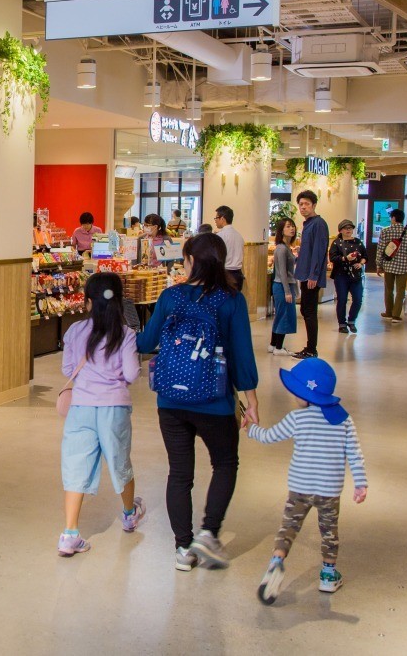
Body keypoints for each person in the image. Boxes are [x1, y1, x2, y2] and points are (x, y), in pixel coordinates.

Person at [138, 233, 260, 572]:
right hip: (215, 401)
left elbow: (146, 342)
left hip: (170, 400)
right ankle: (208, 532)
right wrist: (250, 399)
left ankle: (182, 548)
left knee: (179, 473)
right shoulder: (231, 300)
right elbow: (241, 353)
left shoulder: (171, 296)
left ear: (194, 261)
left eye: (186, 257)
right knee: (225, 463)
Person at [245, 358, 368, 604]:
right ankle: (328, 576)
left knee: (288, 528)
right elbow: (355, 453)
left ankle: (277, 561)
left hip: (299, 487)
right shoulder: (344, 420)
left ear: (307, 395)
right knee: (329, 533)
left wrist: (251, 429)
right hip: (329, 490)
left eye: (297, 391)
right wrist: (360, 483)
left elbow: (269, 436)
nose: (294, 396)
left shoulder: (297, 418)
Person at [57, 273, 144, 556]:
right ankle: (129, 514)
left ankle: (70, 533)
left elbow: (68, 370)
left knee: (75, 465)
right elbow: (131, 373)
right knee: (120, 461)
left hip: (80, 408)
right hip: (114, 408)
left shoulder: (74, 331)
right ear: (119, 301)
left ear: (88, 302)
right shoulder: (125, 334)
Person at [293, 191, 328, 359]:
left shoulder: (318, 223)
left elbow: (319, 251)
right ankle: (309, 347)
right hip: (305, 273)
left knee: (309, 311)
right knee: (305, 310)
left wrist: (314, 275)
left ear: (314, 205)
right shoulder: (308, 224)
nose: (303, 207)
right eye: (301, 204)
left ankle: (311, 349)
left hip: (311, 277)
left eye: (306, 204)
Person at [376, 209, 407, 322]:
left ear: (393, 218)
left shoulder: (385, 231)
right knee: (401, 290)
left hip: (388, 264)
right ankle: (396, 315)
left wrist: (378, 265)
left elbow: (380, 249)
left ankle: (388, 312)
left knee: (388, 289)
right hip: (403, 266)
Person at [329, 219, 367, 334]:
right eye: (346, 228)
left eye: (350, 228)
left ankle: (352, 320)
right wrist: (345, 258)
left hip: (355, 275)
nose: (348, 230)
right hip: (341, 275)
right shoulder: (336, 243)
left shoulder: (358, 242)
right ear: (341, 230)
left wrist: (360, 263)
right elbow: (333, 258)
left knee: (358, 299)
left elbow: (365, 256)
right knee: (342, 299)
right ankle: (342, 323)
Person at [269, 218, 297, 356]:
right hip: (282, 285)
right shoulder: (281, 249)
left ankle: (273, 344)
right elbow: (282, 272)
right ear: (281, 230)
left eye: (293, 226)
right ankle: (278, 347)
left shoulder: (286, 248)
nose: (292, 229)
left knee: (280, 315)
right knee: (284, 316)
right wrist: (287, 291)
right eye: (288, 226)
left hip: (284, 285)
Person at [213, 205, 246, 291]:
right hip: (238, 275)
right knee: (235, 299)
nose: (215, 220)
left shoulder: (220, 236)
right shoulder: (239, 236)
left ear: (222, 218)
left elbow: (216, 257)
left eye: (216, 218)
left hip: (225, 275)